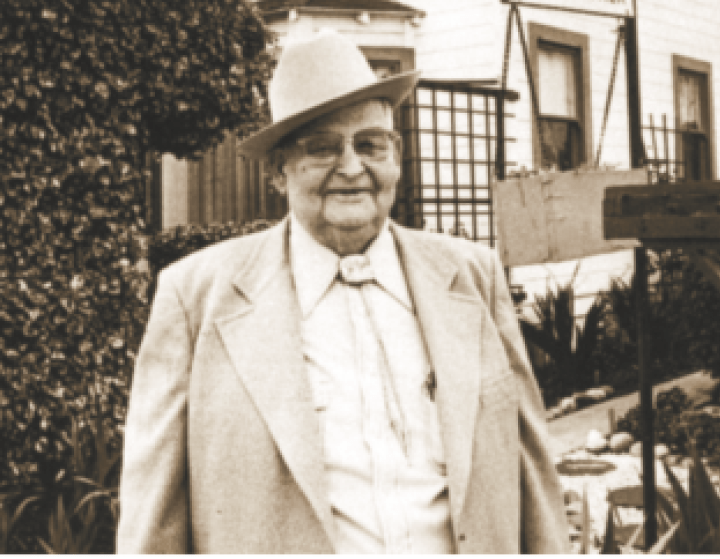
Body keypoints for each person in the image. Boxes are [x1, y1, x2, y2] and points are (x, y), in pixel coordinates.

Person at [117, 31, 569, 554]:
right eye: (322, 148)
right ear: (278, 172)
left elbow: (533, 477)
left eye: (370, 144)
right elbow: (152, 518)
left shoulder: (473, 276)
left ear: (396, 156)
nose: (352, 168)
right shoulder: (195, 297)